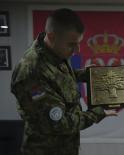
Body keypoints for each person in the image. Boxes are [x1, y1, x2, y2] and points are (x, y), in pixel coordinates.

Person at [11, 8, 117, 155]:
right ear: (52, 37)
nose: (77, 50)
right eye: (72, 44)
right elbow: (59, 123)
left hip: (66, 147)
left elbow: (56, 78)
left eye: (78, 43)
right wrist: (97, 113)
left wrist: (83, 75)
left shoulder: (54, 52)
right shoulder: (30, 71)